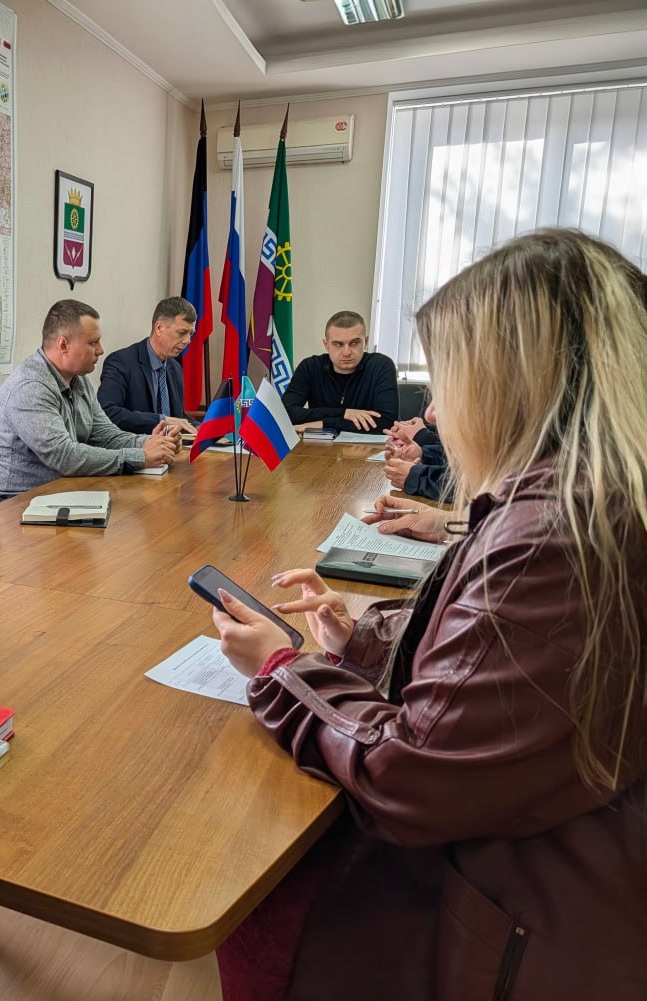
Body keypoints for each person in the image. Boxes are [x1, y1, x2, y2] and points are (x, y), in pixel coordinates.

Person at [209, 229, 647, 999]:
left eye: (449, 381)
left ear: (515, 382)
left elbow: (409, 774)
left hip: (508, 902)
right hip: (556, 844)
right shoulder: (586, 494)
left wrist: (284, 668)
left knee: (246, 872)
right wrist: (363, 639)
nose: (437, 409)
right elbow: (493, 667)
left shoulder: (556, 533)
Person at [0, 299, 180, 498]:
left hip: (57, 492)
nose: (100, 350)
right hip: (10, 500)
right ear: (63, 345)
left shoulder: (78, 379)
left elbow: (106, 436)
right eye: (93, 343)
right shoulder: (31, 386)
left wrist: (155, 443)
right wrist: (140, 456)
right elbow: (64, 457)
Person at [281, 310, 398, 433]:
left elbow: (386, 422)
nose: (346, 352)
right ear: (326, 345)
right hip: (318, 444)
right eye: (338, 344)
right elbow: (286, 413)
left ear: (366, 342)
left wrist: (323, 424)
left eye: (354, 343)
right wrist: (344, 413)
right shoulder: (310, 367)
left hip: (367, 444)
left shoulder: (380, 366)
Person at [96, 296, 199, 433]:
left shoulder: (174, 368)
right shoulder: (121, 362)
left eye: (190, 334)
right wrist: (161, 420)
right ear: (159, 328)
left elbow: (178, 418)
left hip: (173, 444)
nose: (187, 340)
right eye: (182, 333)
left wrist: (199, 427)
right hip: (137, 444)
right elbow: (107, 412)